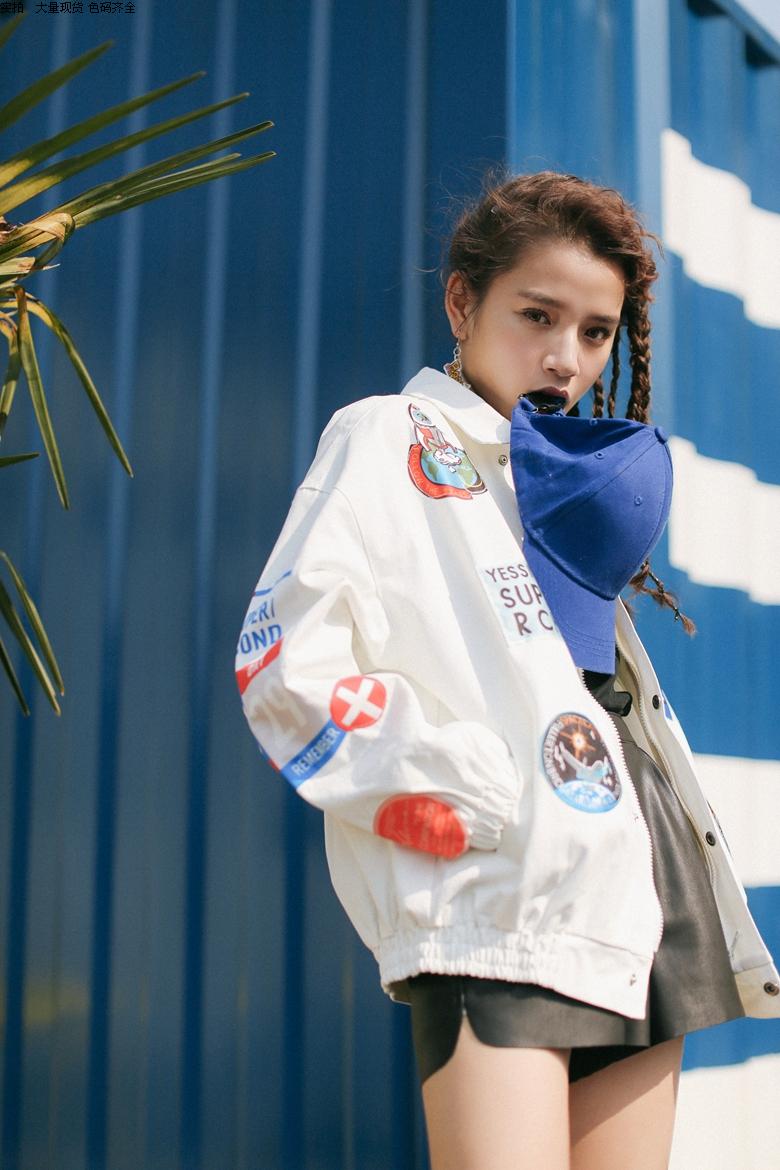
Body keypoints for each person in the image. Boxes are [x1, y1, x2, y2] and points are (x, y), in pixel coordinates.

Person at [236, 169, 780, 1170]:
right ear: (462, 302)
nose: (566, 357)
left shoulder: (557, 474)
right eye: (538, 316)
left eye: (596, 332)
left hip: (644, 875)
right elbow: (285, 662)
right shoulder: (388, 436)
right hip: (504, 893)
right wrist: (461, 790)